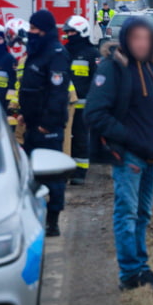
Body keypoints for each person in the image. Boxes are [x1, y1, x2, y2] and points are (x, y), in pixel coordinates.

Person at [85, 17, 153, 292]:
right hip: (129, 157)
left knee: (143, 214)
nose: (142, 44)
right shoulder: (113, 69)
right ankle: (130, 274)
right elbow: (95, 114)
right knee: (127, 214)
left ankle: (141, 268)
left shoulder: (151, 68)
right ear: (126, 40)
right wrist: (128, 140)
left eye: (146, 38)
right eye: (136, 38)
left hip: (150, 157)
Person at [19, 9, 71, 237]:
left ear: (45, 29)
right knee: (32, 175)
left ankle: (53, 220)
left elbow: (57, 92)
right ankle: (34, 216)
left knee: (52, 174)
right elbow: (33, 88)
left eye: (34, 28)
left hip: (47, 128)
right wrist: (25, 114)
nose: (30, 32)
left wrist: (47, 123)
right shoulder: (37, 51)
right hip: (32, 124)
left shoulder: (56, 53)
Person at [63, 15, 100, 185]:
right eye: (68, 32)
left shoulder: (92, 54)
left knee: (80, 138)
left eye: (73, 31)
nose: (69, 35)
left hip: (83, 105)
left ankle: (80, 172)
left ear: (82, 32)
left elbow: (98, 80)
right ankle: (63, 169)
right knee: (63, 138)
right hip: (63, 105)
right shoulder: (63, 52)